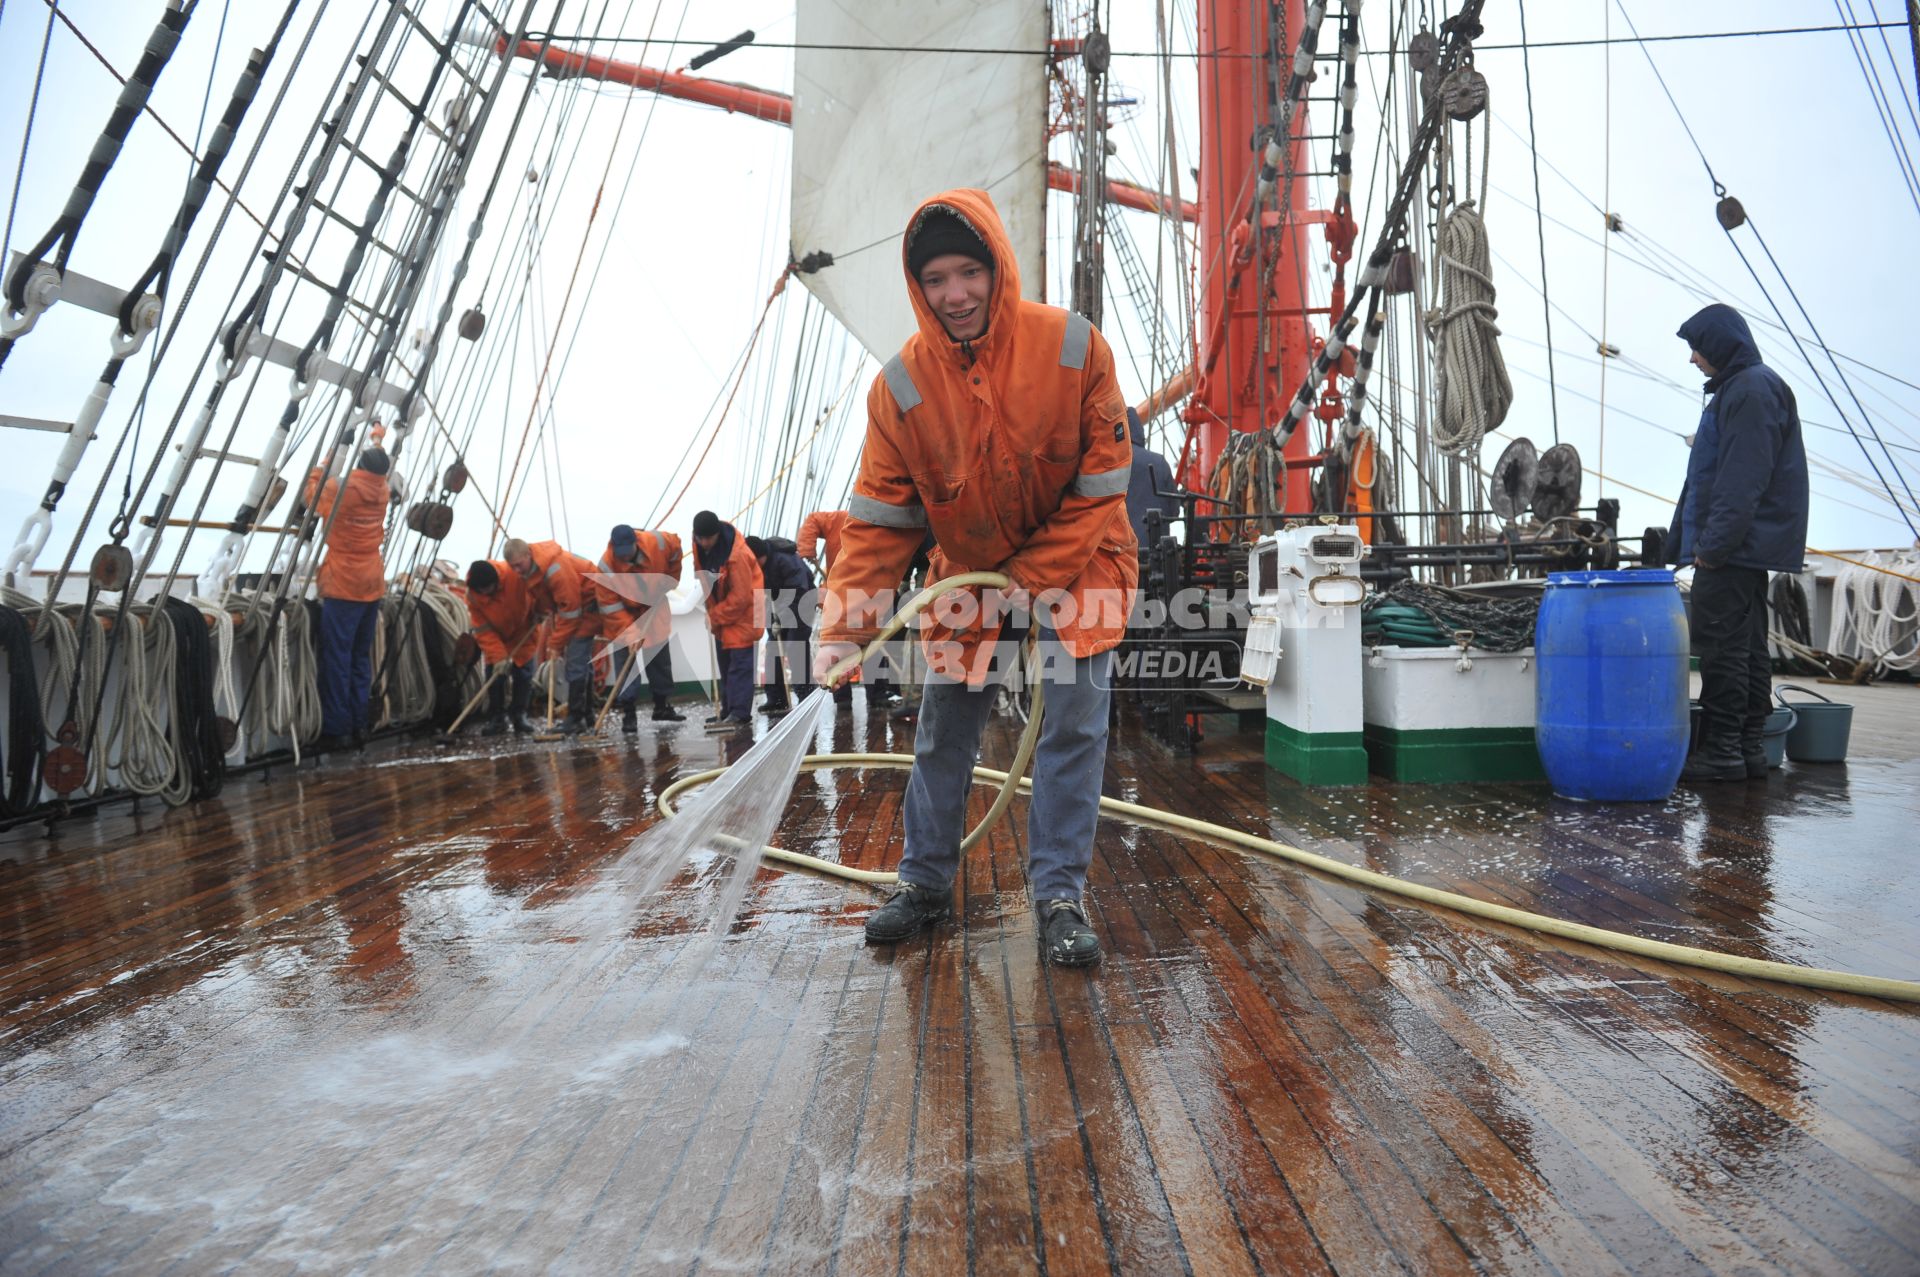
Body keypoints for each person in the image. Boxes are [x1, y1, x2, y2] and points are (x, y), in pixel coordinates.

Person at [813, 189, 1137, 967]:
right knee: (946, 722)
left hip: (1084, 553)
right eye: (935, 280)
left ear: (998, 267)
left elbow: (1102, 481)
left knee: (1073, 723)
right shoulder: (900, 390)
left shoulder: (1074, 347)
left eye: (968, 272)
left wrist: (1031, 576)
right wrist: (843, 632)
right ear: (916, 287)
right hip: (967, 568)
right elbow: (881, 524)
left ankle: (1059, 896)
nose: (955, 294)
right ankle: (924, 883)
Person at [1667, 302, 1808, 782]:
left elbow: (1740, 480)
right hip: (1746, 549)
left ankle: (1723, 751)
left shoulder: (1748, 391)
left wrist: (1711, 547)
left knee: (1722, 649)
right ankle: (1747, 749)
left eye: (1697, 348)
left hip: (1731, 550)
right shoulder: (1747, 388)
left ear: (1720, 346)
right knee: (1747, 649)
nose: (1693, 359)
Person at [304, 446, 390, 750]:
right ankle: (358, 724)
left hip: (344, 583)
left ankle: (336, 729)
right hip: (372, 583)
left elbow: (311, 495)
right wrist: (378, 437)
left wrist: (324, 463)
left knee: (337, 657)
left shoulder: (341, 488)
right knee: (358, 658)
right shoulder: (383, 490)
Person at [592, 524, 686, 732]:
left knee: (659, 659)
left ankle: (662, 706)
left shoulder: (658, 542)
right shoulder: (606, 567)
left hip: (653, 606)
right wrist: (631, 634)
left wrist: (671, 579)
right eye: (620, 553)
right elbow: (610, 606)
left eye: (628, 552)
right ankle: (629, 713)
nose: (624, 557)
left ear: (636, 543)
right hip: (623, 615)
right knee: (625, 664)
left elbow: (676, 549)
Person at [502, 536, 598, 735]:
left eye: (519, 565)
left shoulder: (556, 569)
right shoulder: (532, 570)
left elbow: (570, 609)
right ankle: (587, 715)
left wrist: (555, 644)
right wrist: (538, 612)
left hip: (590, 605)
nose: (517, 571)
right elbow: (546, 596)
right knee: (580, 661)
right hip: (576, 608)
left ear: (528, 555)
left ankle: (576, 718)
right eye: (513, 567)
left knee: (576, 659)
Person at [692, 510, 764, 729]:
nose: (704, 543)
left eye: (708, 538)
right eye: (700, 538)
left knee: (739, 666)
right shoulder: (699, 547)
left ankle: (740, 713)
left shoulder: (738, 555)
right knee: (725, 665)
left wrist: (715, 615)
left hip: (745, 614)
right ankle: (727, 711)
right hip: (723, 614)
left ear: (717, 535)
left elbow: (741, 597)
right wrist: (712, 613)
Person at [464, 559, 538, 735]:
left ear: (496, 581)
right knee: (495, 677)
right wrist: (499, 657)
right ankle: (497, 719)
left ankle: (519, 716)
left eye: (488, 589)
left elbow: (537, 590)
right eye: (481, 590)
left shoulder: (515, 574)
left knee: (523, 676)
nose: (484, 593)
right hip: (496, 638)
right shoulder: (473, 595)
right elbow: (482, 630)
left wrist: (540, 610)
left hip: (523, 633)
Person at [745, 533, 816, 714]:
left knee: (795, 647)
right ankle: (776, 699)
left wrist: (782, 617)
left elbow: (799, 590)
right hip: (777, 608)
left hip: (802, 603)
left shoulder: (785, 560)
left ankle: (806, 696)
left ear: (761, 556)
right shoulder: (754, 566)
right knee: (772, 649)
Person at [1123, 406, 1179, 548]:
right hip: (1157, 554)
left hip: (1117, 555)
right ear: (1139, 430)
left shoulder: (1104, 463)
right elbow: (1174, 512)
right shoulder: (1159, 462)